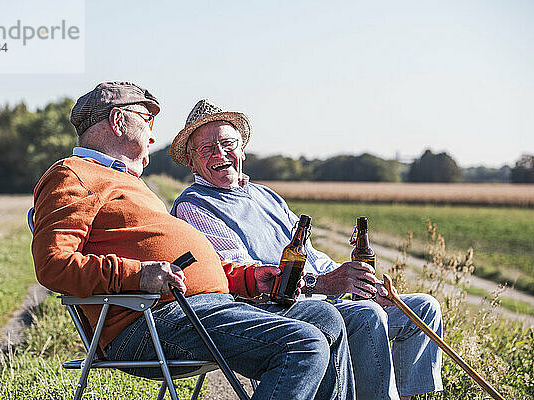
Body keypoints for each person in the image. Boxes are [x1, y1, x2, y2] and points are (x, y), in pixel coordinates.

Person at [30, 82, 356, 400]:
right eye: (147, 120)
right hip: (150, 321)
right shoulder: (73, 175)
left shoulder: (127, 183)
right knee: (303, 344)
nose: (153, 133)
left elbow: (185, 262)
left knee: (326, 318)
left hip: (202, 307)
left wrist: (247, 278)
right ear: (118, 121)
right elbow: (52, 265)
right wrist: (139, 275)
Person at [169, 99, 444, 400]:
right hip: (275, 313)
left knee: (423, 309)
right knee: (367, 315)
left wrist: (355, 281)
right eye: (206, 149)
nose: (219, 154)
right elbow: (248, 282)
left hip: (319, 299)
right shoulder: (195, 205)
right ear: (192, 162)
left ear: (242, 149)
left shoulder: (265, 195)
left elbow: (310, 255)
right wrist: (325, 284)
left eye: (227, 142)